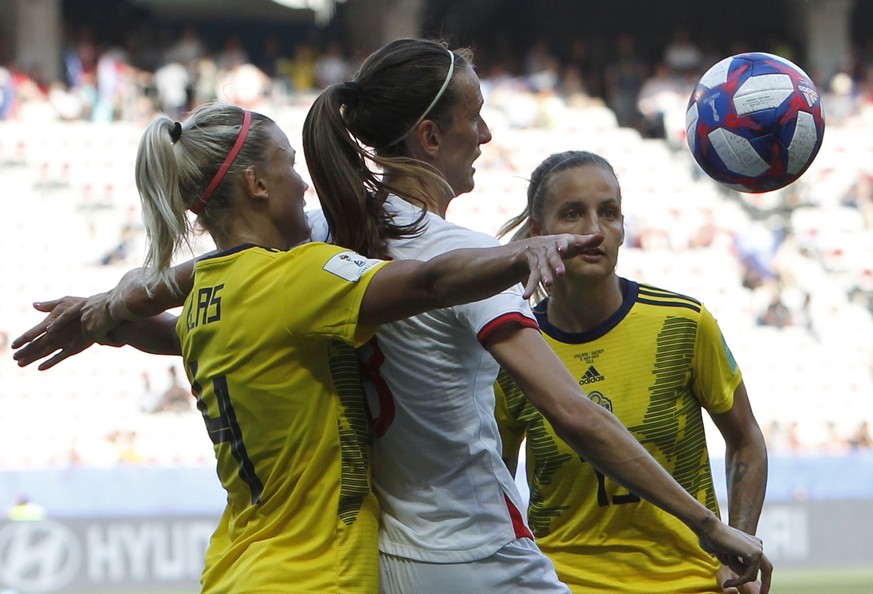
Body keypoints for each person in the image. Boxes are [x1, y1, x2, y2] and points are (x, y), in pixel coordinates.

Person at [14, 39, 771, 594]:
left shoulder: (322, 236)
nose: (487, 135)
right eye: (473, 119)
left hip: (383, 559)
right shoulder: (457, 253)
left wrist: (111, 308)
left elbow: (202, 291)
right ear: (430, 136)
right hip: (473, 550)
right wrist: (709, 526)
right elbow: (572, 412)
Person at [11, 99, 603, 594]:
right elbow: (429, 281)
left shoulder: (205, 298)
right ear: (257, 183)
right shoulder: (299, 279)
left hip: (236, 568)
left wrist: (103, 315)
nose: (302, 182)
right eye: (288, 166)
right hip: (313, 573)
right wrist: (518, 254)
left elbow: (152, 330)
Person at [494, 150, 769, 593]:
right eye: (572, 213)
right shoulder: (512, 348)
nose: (594, 230)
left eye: (609, 213)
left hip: (690, 582)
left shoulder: (683, 323)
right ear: (538, 234)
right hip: (561, 585)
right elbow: (495, 485)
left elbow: (746, 439)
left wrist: (736, 553)